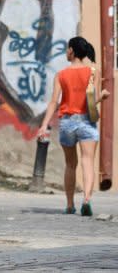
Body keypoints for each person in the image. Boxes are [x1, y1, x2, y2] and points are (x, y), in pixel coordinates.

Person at [38, 36, 110, 216]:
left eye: (67, 49)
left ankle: (70, 205)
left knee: (70, 165)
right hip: (87, 121)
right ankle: (86, 199)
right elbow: (91, 102)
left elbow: (54, 102)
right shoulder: (94, 71)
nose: (66, 52)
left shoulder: (61, 75)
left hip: (67, 122)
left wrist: (44, 125)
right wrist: (102, 95)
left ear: (71, 51)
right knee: (87, 162)